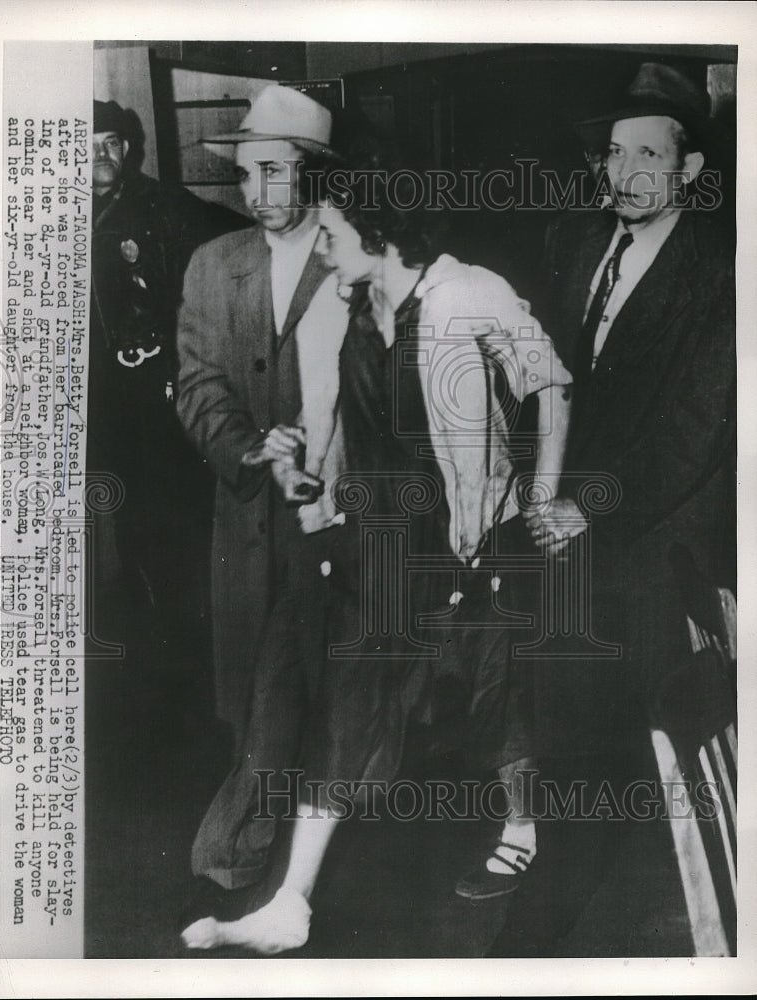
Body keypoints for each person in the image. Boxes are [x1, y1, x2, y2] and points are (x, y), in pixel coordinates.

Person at [181, 154, 573, 955]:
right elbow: (332, 411)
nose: (321, 244)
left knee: (494, 695)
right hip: (386, 535)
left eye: (332, 231)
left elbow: (553, 382)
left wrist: (541, 497)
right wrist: (301, 466)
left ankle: (524, 827)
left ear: (379, 233)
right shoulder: (353, 302)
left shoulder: (465, 293)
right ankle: (292, 904)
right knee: (348, 698)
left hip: (470, 534)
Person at [488, 63, 736, 956]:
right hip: (561, 533)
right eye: (613, 154)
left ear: (690, 171)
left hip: (650, 541)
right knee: (569, 724)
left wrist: (589, 506)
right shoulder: (576, 242)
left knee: (660, 744)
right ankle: (554, 892)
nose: (622, 172)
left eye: (647, 155)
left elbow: (699, 424)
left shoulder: (720, 270)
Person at [174, 86, 350, 922]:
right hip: (248, 513)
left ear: (315, 174)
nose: (256, 191)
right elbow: (199, 383)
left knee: (333, 678)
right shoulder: (214, 264)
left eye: (275, 171)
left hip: (338, 511)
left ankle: (259, 841)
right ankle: (260, 831)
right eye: (247, 173)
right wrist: (249, 448)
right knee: (255, 680)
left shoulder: (355, 256)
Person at [88, 99, 244, 657]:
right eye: (89, 146)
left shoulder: (161, 204)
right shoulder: (54, 212)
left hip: (159, 386)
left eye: (112, 143)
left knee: (175, 505)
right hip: (101, 395)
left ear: (128, 148)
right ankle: (147, 630)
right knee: (124, 508)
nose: (102, 156)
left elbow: (235, 235)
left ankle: (189, 632)